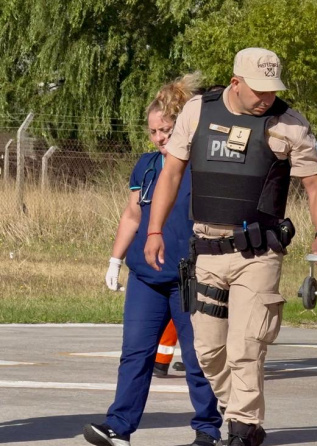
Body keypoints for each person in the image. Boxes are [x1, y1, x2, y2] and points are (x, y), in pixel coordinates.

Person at [143, 48, 317, 446]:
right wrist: (154, 231)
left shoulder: (289, 123)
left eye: (272, 89)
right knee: (208, 352)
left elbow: (315, 185)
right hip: (207, 251)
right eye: (258, 89)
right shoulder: (198, 111)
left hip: (258, 254)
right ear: (235, 83)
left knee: (245, 346)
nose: (267, 97)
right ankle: (242, 418)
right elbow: (172, 173)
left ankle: (242, 429)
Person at [85, 74, 222, 446]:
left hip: (189, 276)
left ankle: (207, 429)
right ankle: (119, 426)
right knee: (135, 354)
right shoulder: (146, 166)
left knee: (196, 357)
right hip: (146, 277)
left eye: (166, 130)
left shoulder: (201, 166)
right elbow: (132, 215)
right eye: (154, 131)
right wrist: (115, 260)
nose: (160, 138)